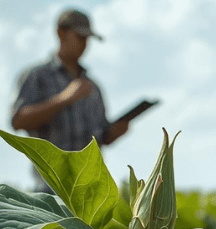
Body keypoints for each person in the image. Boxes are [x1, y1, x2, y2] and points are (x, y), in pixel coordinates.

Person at [10, 8, 128, 191]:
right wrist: (64, 98)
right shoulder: (37, 76)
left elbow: (102, 137)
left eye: (87, 39)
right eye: (80, 37)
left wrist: (115, 132)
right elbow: (18, 120)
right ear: (60, 33)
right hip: (50, 187)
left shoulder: (93, 87)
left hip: (89, 189)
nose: (84, 44)